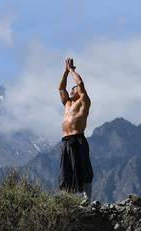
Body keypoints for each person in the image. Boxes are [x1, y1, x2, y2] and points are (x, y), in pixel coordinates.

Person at [58, 57, 93, 202]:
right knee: (66, 171)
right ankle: (68, 200)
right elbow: (60, 88)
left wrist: (72, 70)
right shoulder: (67, 103)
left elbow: (80, 83)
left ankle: (87, 199)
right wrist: (65, 72)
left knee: (83, 167)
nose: (73, 89)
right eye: (71, 88)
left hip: (78, 138)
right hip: (66, 141)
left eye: (74, 88)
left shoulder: (83, 101)